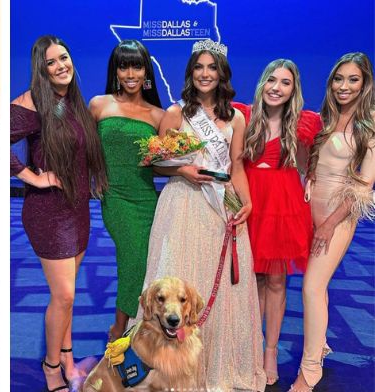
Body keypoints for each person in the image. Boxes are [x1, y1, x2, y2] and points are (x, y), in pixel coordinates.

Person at [138, 39, 266, 390]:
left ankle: (216, 369)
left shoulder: (235, 117)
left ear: (222, 73)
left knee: (221, 286)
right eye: (199, 67)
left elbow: (236, 166)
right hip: (182, 204)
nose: (205, 74)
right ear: (190, 72)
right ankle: (170, 374)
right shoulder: (177, 112)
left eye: (212, 68)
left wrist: (246, 202)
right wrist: (182, 171)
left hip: (219, 204)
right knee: (178, 280)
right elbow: (158, 162)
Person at [10, 35, 107, 392]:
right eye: (51, 62)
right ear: (41, 68)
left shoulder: (75, 101)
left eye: (63, 58)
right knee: (64, 295)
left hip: (78, 209)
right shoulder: (33, 101)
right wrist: (31, 176)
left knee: (66, 295)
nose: (60, 66)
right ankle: (51, 366)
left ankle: (66, 355)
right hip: (48, 213)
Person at [289, 52, 375, 392]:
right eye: (339, 79)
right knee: (316, 286)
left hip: (339, 216)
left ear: (364, 83)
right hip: (308, 209)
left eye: (352, 79)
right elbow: (307, 163)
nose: (344, 86)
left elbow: (363, 186)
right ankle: (319, 343)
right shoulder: (323, 120)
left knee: (311, 286)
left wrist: (328, 224)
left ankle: (310, 370)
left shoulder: (369, 127)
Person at [235, 59, 321, 386]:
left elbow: (309, 159)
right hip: (251, 200)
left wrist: (311, 173)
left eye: (285, 83)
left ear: (293, 89)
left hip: (282, 204)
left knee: (276, 281)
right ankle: (251, 348)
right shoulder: (244, 114)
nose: (276, 87)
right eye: (272, 80)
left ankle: (270, 350)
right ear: (262, 83)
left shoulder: (302, 123)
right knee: (251, 280)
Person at [88, 40, 164, 342]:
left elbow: (161, 164)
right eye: (124, 66)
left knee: (146, 264)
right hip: (115, 197)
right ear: (115, 71)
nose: (130, 72)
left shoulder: (158, 116)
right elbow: (84, 149)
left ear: (146, 71)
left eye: (136, 65)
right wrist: (93, 175)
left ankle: (139, 327)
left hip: (147, 199)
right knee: (133, 259)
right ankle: (119, 331)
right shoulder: (99, 104)